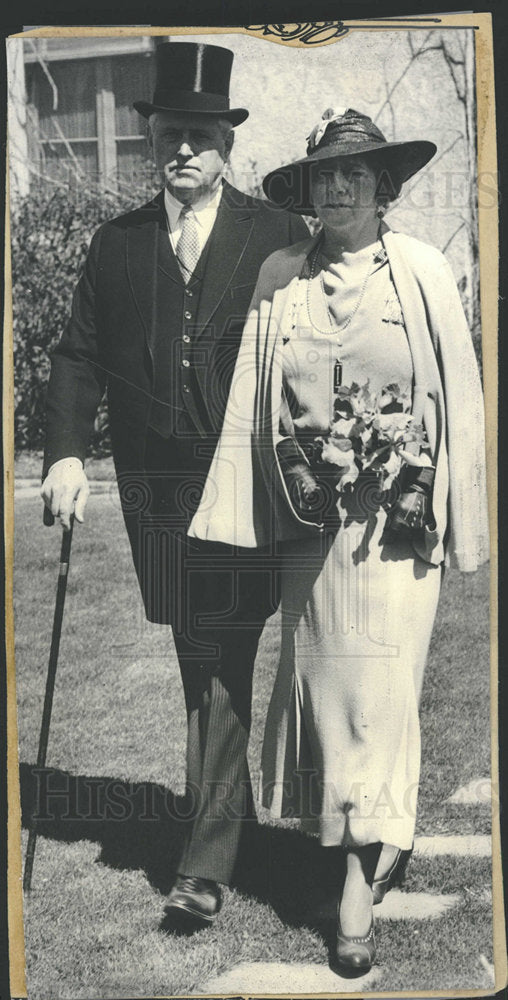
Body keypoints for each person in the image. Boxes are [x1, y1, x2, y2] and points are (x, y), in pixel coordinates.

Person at [188, 107, 489, 970]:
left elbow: (461, 395)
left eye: (356, 172)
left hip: (398, 526)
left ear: (383, 185)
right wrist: (245, 503)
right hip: (311, 529)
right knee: (327, 696)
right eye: (326, 174)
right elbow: (252, 394)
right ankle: (374, 837)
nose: (340, 187)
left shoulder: (422, 271)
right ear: (309, 188)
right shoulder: (282, 273)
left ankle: (356, 884)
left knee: (380, 696)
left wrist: (461, 518)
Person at [40, 41, 308, 929]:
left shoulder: (277, 235)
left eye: (199, 135)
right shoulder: (116, 244)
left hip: (247, 484)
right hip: (157, 491)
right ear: (152, 141)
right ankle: (231, 821)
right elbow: (77, 354)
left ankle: (205, 862)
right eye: (168, 135)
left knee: (220, 650)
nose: (182, 149)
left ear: (228, 144)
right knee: (203, 656)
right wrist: (67, 454)